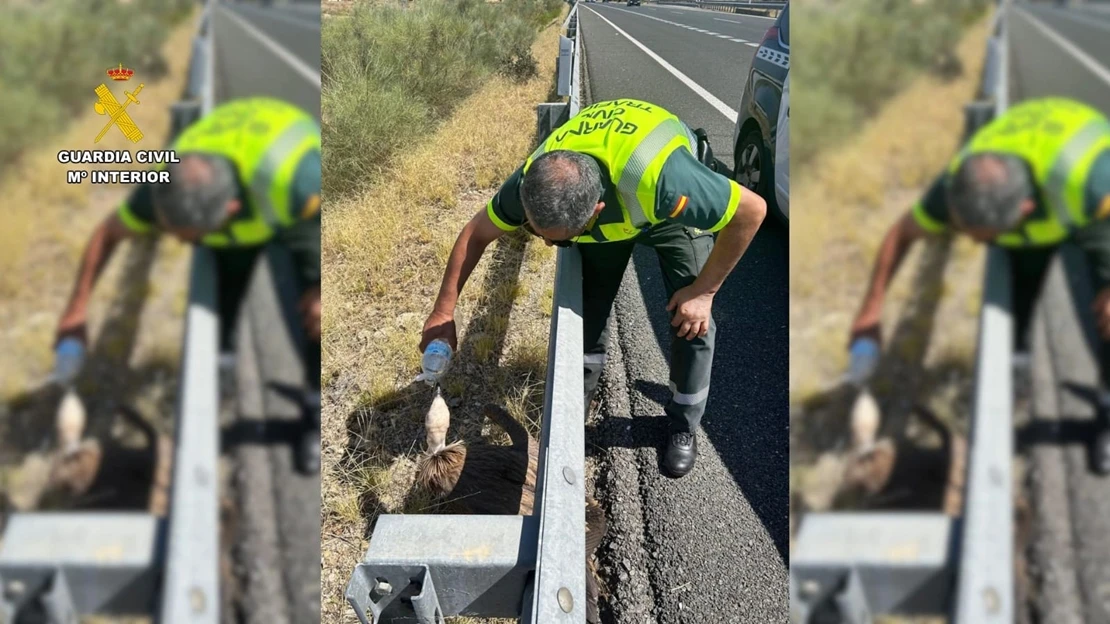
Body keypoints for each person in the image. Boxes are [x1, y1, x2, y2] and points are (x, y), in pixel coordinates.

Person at [419, 99, 768, 478]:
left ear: (596, 212)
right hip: (613, 210)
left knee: (692, 321)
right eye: (539, 235)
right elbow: (475, 233)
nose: (550, 247)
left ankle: (683, 422)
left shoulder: (664, 180)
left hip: (665, 215)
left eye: (561, 241)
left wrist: (704, 293)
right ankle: (579, 400)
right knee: (587, 310)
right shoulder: (533, 181)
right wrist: (443, 312)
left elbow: (751, 212)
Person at [53, 97, 323, 474]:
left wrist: (320, 291)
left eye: (189, 237)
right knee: (227, 270)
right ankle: (223, 369)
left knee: (315, 318)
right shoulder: (163, 185)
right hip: (243, 191)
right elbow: (107, 233)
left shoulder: (298, 182)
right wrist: (75, 311)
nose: (180, 244)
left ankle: (314, 412)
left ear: (230, 211)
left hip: (296, 198)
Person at [847, 97, 1110, 473]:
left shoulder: (1092, 183)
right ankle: (1018, 367)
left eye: (984, 237)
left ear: (1024, 211)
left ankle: (1106, 409)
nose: (974, 244)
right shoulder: (956, 187)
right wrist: (870, 312)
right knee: (1021, 272)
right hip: (1042, 186)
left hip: (1096, 203)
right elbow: (901, 233)